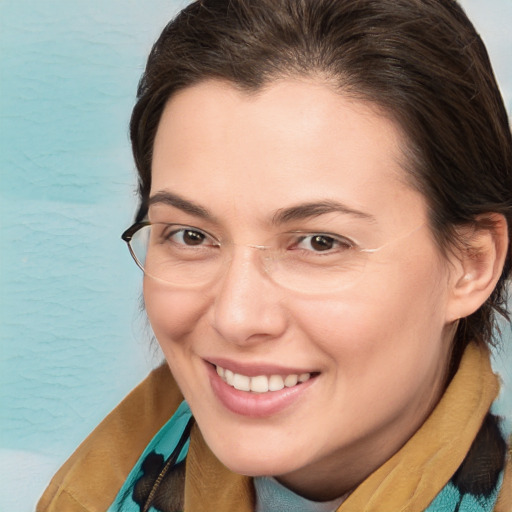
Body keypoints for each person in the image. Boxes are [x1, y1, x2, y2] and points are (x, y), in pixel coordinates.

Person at [37, 0, 511, 510]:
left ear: (471, 263)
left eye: (319, 242)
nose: (236, 317)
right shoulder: (92, 490)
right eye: (191, 236)